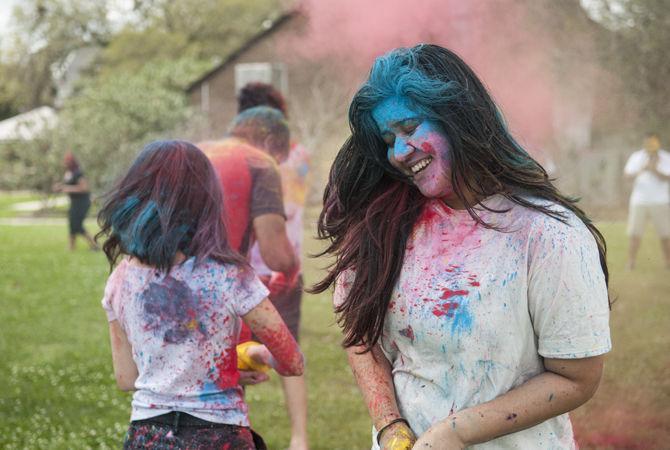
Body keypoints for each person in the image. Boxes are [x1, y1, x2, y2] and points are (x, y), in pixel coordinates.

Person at [311, 44, 611, 450]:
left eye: (410, 127)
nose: (399, 152)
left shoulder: (547, 235)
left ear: (458, 118)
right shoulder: (383, 227)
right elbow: (361, 338)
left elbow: (577, 377)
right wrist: (390, 427)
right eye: (388, 139)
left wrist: (456, 432)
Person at [96, 140, 304, 449]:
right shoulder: (228, 275)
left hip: (147, 437)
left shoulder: (120, 280)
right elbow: (292, 362)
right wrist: (250, 357)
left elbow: (127, 378)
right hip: (219, 436)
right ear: (206, 201)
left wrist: (226, 362)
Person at [198, 106, 300, 382]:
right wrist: (291, 270)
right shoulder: (260, 162)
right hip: (217, 291)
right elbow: (276, 254)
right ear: (269, 143)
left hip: (163, 292)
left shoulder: (195, 152)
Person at [240, 82, 311, 450]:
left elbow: (281, 212)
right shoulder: (297, 155)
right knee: (287, 349)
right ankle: (299, 438)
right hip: (284, 271)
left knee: (232, 354)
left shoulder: (246, 157)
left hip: (255, 272)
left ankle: (239, 430)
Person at [623, 132, 670, 270]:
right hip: (639, 201)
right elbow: (626, 176)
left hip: (660, 201)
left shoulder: (666, 157)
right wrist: (642, 168)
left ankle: (668, 262)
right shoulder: (637, 157)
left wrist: (654, 169)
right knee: (634, 234)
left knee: (665, 234)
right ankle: (631, 262)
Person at [53, 151, 97, 251]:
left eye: (67, 161)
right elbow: (68, 185)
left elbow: (84, 188)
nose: (65, 163)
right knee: (72, 223)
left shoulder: (78, 173)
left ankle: (94, 245)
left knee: (77, 224)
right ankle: (71, 246)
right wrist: (60, 187)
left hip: (82, 202)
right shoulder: (68, 173)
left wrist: (66, 188)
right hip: (74, 202)